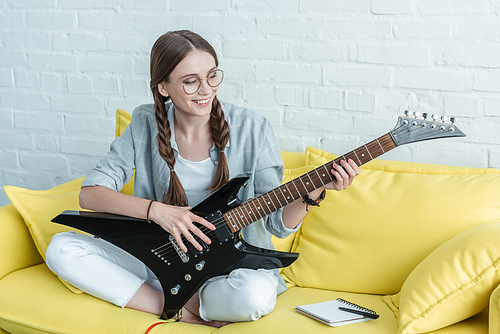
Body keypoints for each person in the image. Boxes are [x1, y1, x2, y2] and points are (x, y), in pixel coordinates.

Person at [45, 30, 360, 327]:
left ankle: (185, 298)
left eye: (212, 76)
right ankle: (172, 306)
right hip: (159, 259)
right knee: (61, 248)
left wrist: (315, 190)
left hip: (227, 271)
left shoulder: (253, 128)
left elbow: (277, 224)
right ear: (163, 87)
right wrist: (158, 211)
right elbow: (90, 194)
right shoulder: (144, 123)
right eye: (190, 81)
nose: (206, 89)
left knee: (254, 297)